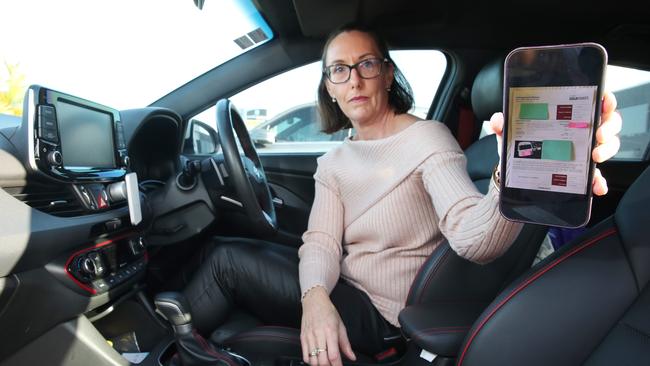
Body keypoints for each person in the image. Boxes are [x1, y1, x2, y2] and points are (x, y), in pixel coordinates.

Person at [181, 25, 622, 366]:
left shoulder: (427, 138)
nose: (354, 80)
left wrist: (515, 177)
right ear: (329, 88)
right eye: (339, 70)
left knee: (225, 261)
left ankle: (149, 347)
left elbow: (473, 235)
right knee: (228, 249)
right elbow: (321, 241)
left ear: (387, 73)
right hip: (343, 288)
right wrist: (315, 298)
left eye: (366, 64)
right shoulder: (333, 162)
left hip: (385, 314)